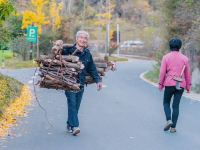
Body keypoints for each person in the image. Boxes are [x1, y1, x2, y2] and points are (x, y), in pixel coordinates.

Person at [62, 30, 103, 136]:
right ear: (77, 39)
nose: (83, 40)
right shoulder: (67, 50)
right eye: (81, 37)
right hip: (69, 81)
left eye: (85, 38)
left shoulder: (87, 53)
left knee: (76, 106)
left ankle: (69, 124)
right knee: (72, 102)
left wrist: (98, 81)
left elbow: (92, 68)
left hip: (80, 82)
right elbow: (57, 58)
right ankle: (75, 126)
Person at [159, 38, 191, 133]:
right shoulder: (185, 58)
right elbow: (187, 74)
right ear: (179, 46)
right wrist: (188, 87)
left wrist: (161, 84)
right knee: (176, 106)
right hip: (180, 84)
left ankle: (169, 120)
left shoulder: (166, 57)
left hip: (169, 83)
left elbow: (162, 72)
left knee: (166, 103)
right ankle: (173, 128)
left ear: (170, 46)